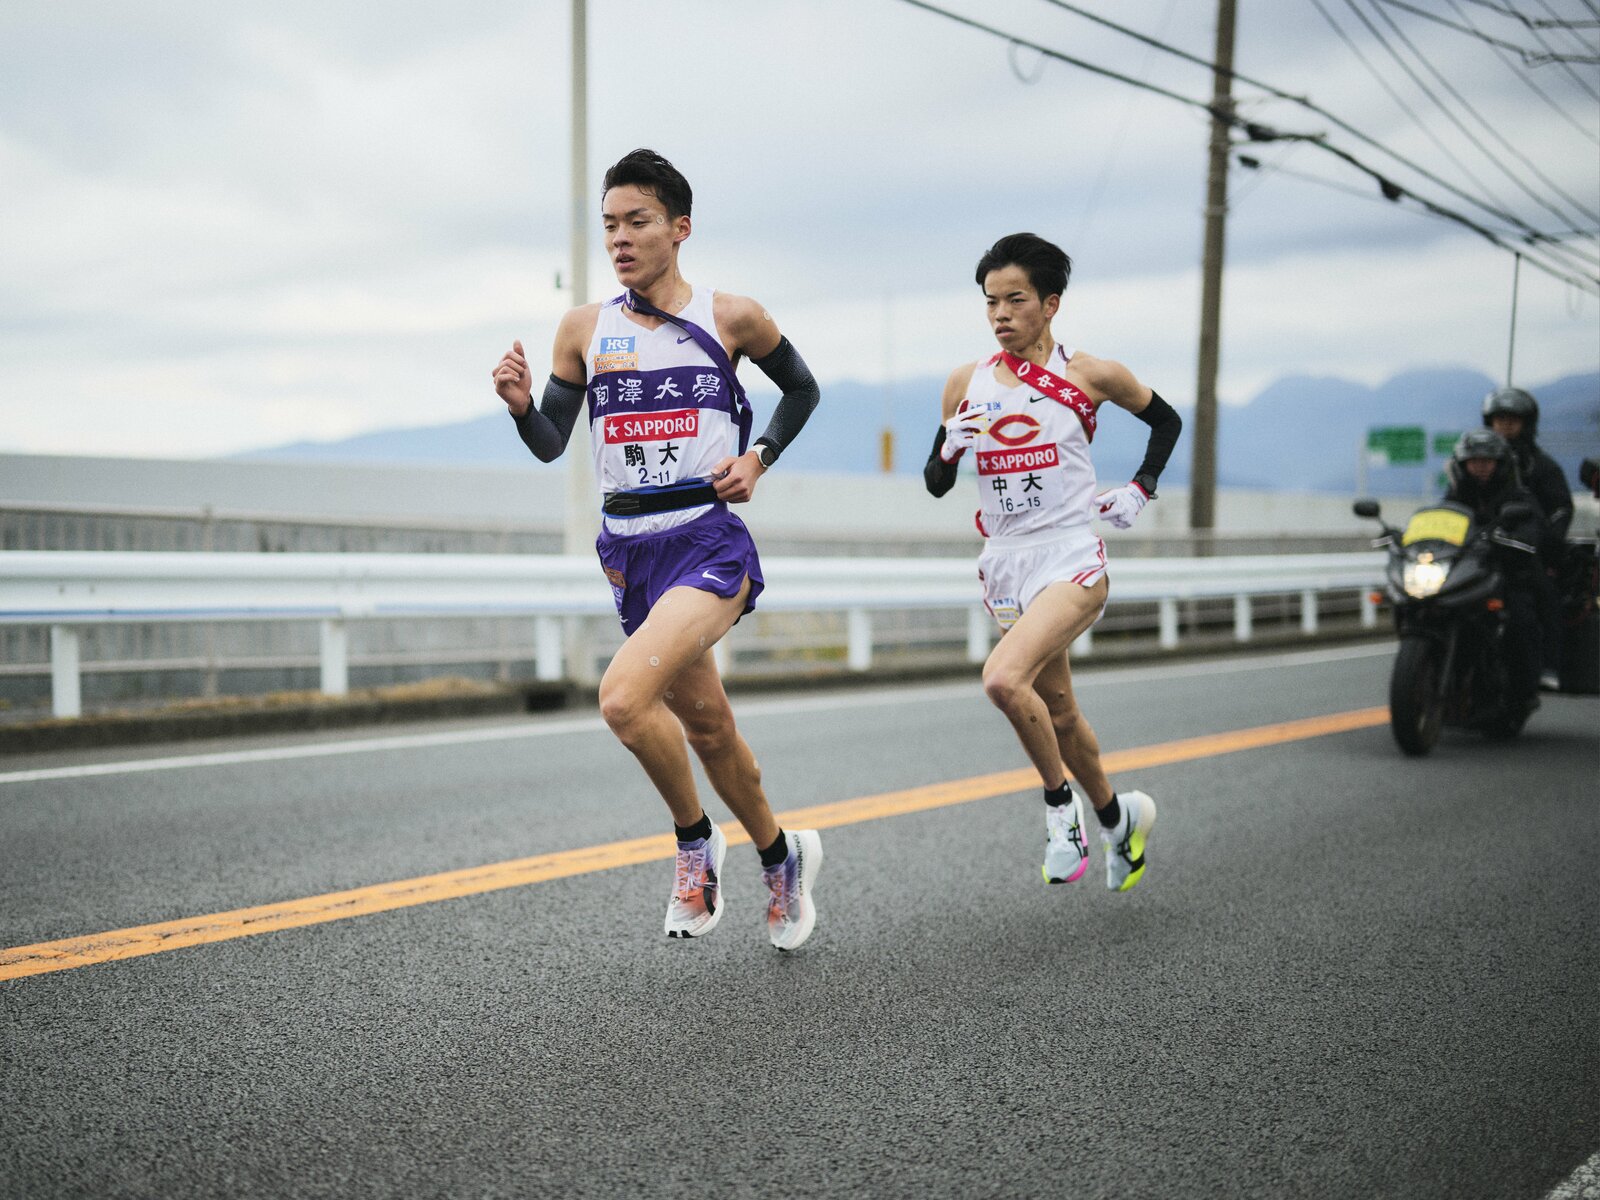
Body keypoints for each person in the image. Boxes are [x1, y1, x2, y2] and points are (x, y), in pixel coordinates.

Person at [492, 149, 824, 951]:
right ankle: (783, 859)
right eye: (609, 225)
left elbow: (803, 389)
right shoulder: (584, 328)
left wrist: (759, 458)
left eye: (637, 221)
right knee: (709, 730)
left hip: (708, 538)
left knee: (620, 701)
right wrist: (520, 406)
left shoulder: (731, 316)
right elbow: (549, 444)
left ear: (679, 228)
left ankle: (693, 844)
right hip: (630, 550)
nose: (621, 238)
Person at [924, 232, 1182, 892]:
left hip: (1071, 556)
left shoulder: (1088, 375)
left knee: (1005, 681)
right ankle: (1119, 820)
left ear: (1051, 304)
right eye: (990, 303)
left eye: (1015, 300)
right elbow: (934, 481)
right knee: (1059, 714)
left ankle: (1059, 809)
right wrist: (950, 448)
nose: (1001, 314)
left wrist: (1140, 488)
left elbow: (1167, 422)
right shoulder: (966, 383)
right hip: (1007, 563)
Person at [1443, 429, 1545, 713]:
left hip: (1508, 573)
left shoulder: (1518, 495)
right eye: (1473, 461)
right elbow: (1441, 519)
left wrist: (1515, 540)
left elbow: (1532, 531)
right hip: (1469, 573)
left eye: (1487, 461)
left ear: (1500, 463)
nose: (1480, 466)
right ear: (1462, 465)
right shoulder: (1456, 494)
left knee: (1519, 617)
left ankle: (1523, 690)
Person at [1481, 387, 1572, 690]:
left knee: (1541, 597)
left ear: (1526, 423)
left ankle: (1548, 665)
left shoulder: (1540, 465)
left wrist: (1548, 545)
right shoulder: (1478, 462)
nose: (1505, 425)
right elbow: (1455, 502)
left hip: (1526, 547)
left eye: (1512, 419)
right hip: (1482, 546)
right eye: (1499, 418)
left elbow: (1560, 508)